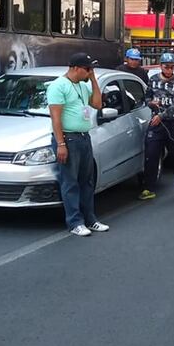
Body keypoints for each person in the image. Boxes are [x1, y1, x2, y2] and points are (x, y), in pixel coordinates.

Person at [47, 52, 109, 236]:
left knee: (87, 181)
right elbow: (55, 118)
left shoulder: (83, 85)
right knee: (70, 182)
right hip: (68, 138)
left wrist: (93, 80)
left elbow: (97, 104)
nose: (90, 72)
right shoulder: (58, 86)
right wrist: (60, 143)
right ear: (75, 68)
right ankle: (74, 222)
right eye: (87, 68)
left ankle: (90, 219)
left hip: (83, 136)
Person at [139, 52, 174, 199]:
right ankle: (149, 187)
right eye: (167, 67)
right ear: (161, 66)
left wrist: (161, 115)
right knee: (151, 154)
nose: (169, 70)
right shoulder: (152, 80)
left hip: (172, 122)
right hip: (156, 123)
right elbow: (146, 97)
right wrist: (151, 103)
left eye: (172, 67)